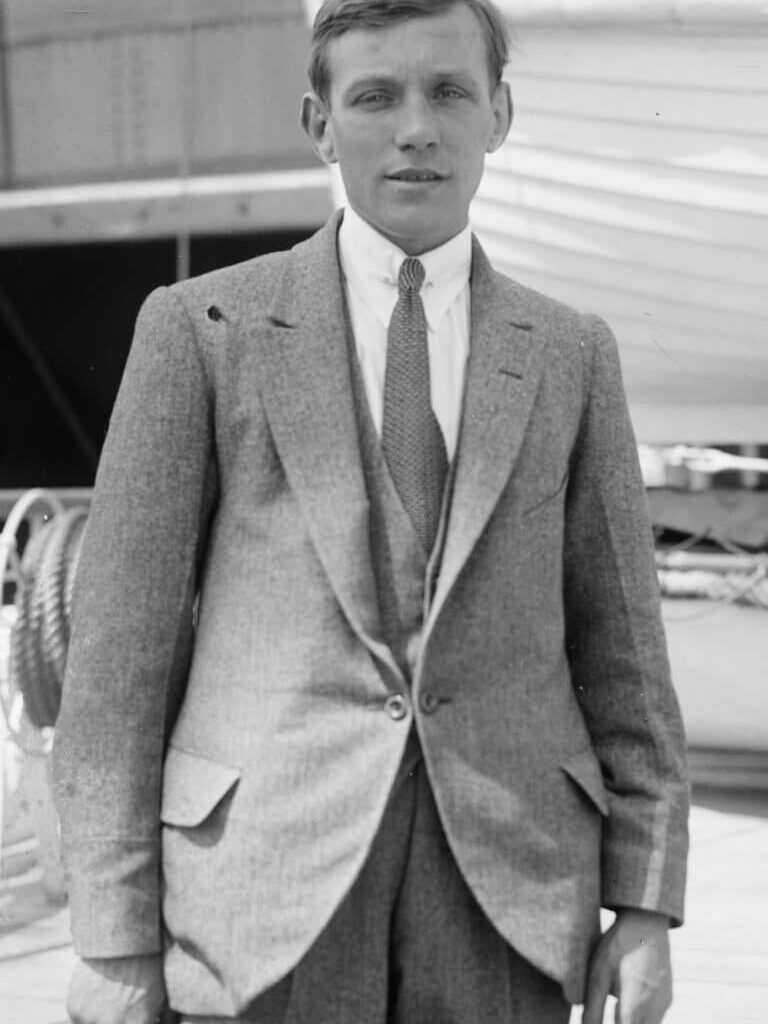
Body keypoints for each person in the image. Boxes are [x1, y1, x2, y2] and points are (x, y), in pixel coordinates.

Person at [53, 2, 690, 1023]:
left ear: (501, 113)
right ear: (319, 124)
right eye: (375, 96)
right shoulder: (201, 331)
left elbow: (625, 649)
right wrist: (115, 935)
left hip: (510, 901)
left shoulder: (572, 353)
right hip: (259, 904)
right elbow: (117, 665)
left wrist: (647, 901)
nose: (416, 128)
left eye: (449, 91)